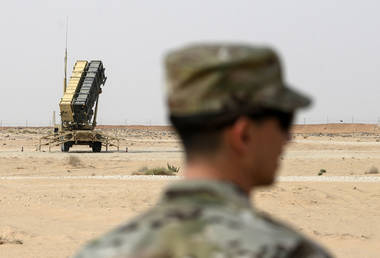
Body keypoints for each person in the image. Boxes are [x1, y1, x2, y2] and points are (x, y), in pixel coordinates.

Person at [73, 43, 332, 258]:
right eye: (284, 122)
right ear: (243, 134)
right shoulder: (292, 252)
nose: (288, 138)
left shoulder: (102, 251)